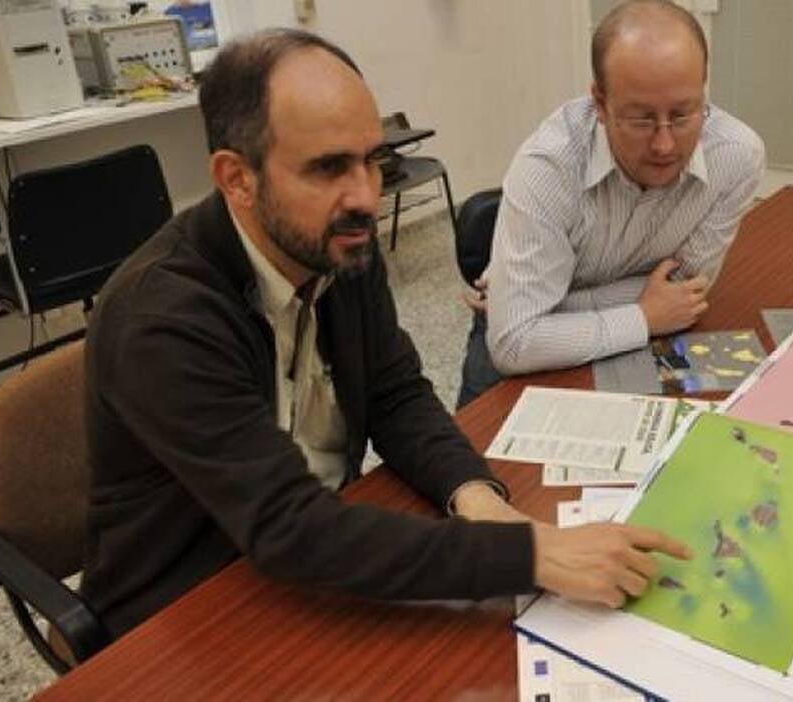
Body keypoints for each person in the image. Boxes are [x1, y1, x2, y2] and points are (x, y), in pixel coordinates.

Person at [80, 28, 690, 638]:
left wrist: (476, 496)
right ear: (238, 178)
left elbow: (394, 395)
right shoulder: (161, 319)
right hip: (181, 610)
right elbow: (288, 528)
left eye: (372, 160)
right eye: (328, 168)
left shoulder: (334, 242)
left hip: (307, 555)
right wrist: (531, 555)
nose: (366, 198)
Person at [458, 0, 764, 407]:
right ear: (600, 104)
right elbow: (515, 342)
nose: (665, 144)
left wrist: (537, 306)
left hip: (643, 333)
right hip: (529, 360)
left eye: (683, 114)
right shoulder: (548, 167)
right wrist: (643, 315)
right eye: (641, 119)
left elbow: (685, 291)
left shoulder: (737, 156)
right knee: (482, 445)